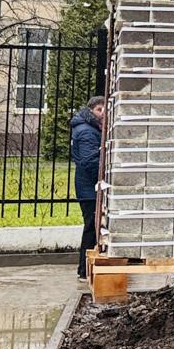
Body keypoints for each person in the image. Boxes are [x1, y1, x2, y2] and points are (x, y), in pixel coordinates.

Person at [70, 95, 106, 278]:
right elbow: (89, 161)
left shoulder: (89, 128)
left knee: (93, 227)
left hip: (88, 187)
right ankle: (84, 269)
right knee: (91, 227)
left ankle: (87, 268)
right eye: (100, 110)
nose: (103, 114)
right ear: (91, 110)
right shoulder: (86, 131)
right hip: (89, 189)